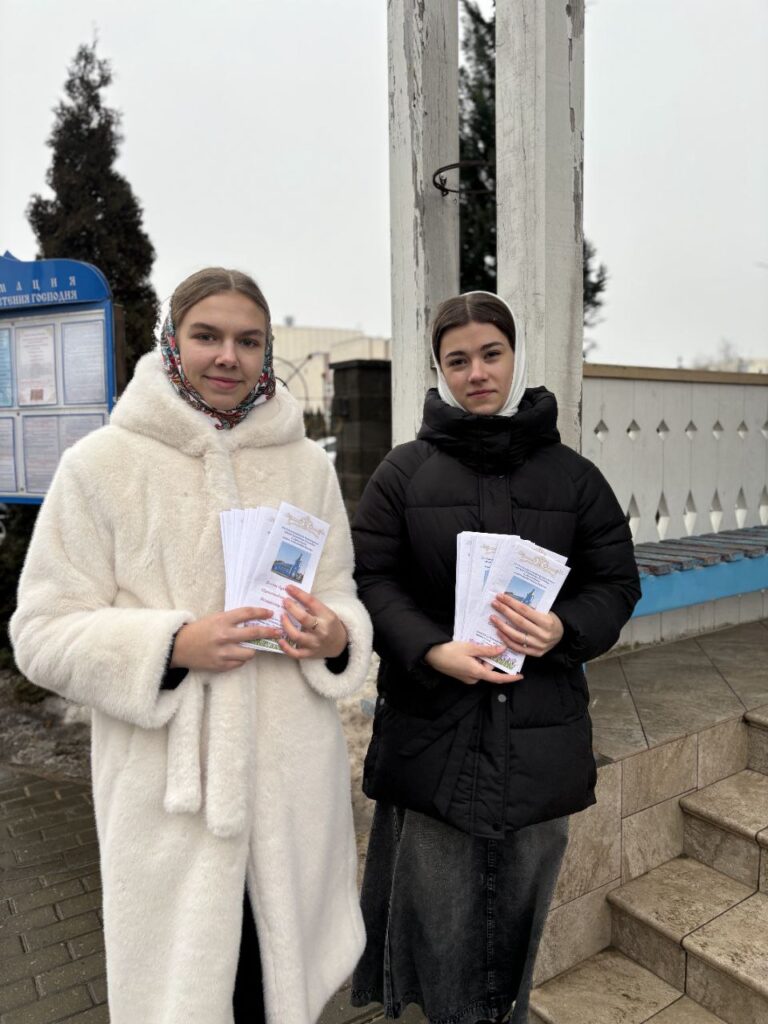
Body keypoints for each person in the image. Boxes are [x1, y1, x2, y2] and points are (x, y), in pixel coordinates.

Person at [10, 268, 373, 1024]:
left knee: (276, 985)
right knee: (187, 990)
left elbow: (340, 592)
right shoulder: (101, 465)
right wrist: (172, 645)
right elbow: (40, 632)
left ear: (267, 351)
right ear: (171, 341)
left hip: (290, 784)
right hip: (169, 797)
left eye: (249, 340)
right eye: (207, 335)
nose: (228, 357)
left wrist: (335, 634)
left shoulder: (307, 465)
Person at [350, 292, 640, 1024]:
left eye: (491, 354)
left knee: (519, 919)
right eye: (458, 360)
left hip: (539, 733)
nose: (476, 373)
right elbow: (370, 579)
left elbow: (615, 583)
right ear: (439, 370)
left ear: (515, 356)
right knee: (438, 919)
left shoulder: (574, 478)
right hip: (434, 729)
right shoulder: (403, 474)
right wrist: (430, 648)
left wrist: (563, 629)